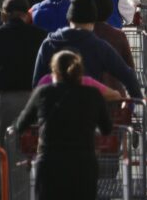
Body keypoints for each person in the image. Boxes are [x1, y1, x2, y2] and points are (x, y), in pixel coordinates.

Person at [13, 50, 113, 200]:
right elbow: (106, 128)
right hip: (83, 163)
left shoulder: (43, 93)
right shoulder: (93, 94)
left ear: (54, 72)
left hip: (50, 163)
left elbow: (21, 124)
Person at [31, 0, 143, 98]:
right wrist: (135, 99)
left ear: (69, 18)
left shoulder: (49, 43)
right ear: (93, 20)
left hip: (54, 111)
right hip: (89, 110)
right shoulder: (99, 46)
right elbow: (127, 74)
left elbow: (37, 82)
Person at [0, 0, 47, 140]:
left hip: (6, 98)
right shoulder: (41, 35)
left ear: (3, 15)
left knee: (8, 145)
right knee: (35, 145)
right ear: (28, 15)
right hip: (36, 97)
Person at [88, 0, 136, 96]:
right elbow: (130, 70)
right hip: (114, 96)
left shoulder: (78, 36)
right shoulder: (117, 36)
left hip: (86, 99)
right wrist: (132, 99)